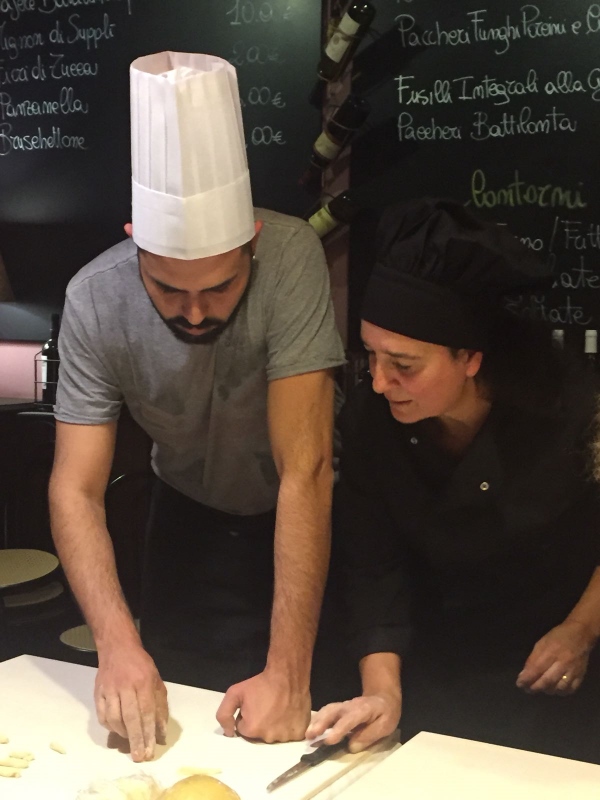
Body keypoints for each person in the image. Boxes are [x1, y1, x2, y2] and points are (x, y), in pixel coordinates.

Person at [49, 52, 346, 762]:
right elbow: (75, 487)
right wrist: (117, 644)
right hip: (188, 520)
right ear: (134, 243)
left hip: (305, 521)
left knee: (313, 736)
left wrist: (288, 670)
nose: (193, 311)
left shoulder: (293, 257)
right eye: (166, 289)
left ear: (252, 244)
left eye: (217, 288)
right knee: (180, 734)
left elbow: (305, 469)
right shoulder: (94, 299)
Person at [308, 198, 600, 764]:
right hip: (433, 659)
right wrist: (382, 692)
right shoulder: (370, 420)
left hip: (555, 664)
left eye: (404, 365)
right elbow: (373, 566)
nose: (380, 381)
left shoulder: (570, 407)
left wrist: (580, 630)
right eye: (370, 356)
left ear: (470, 359)